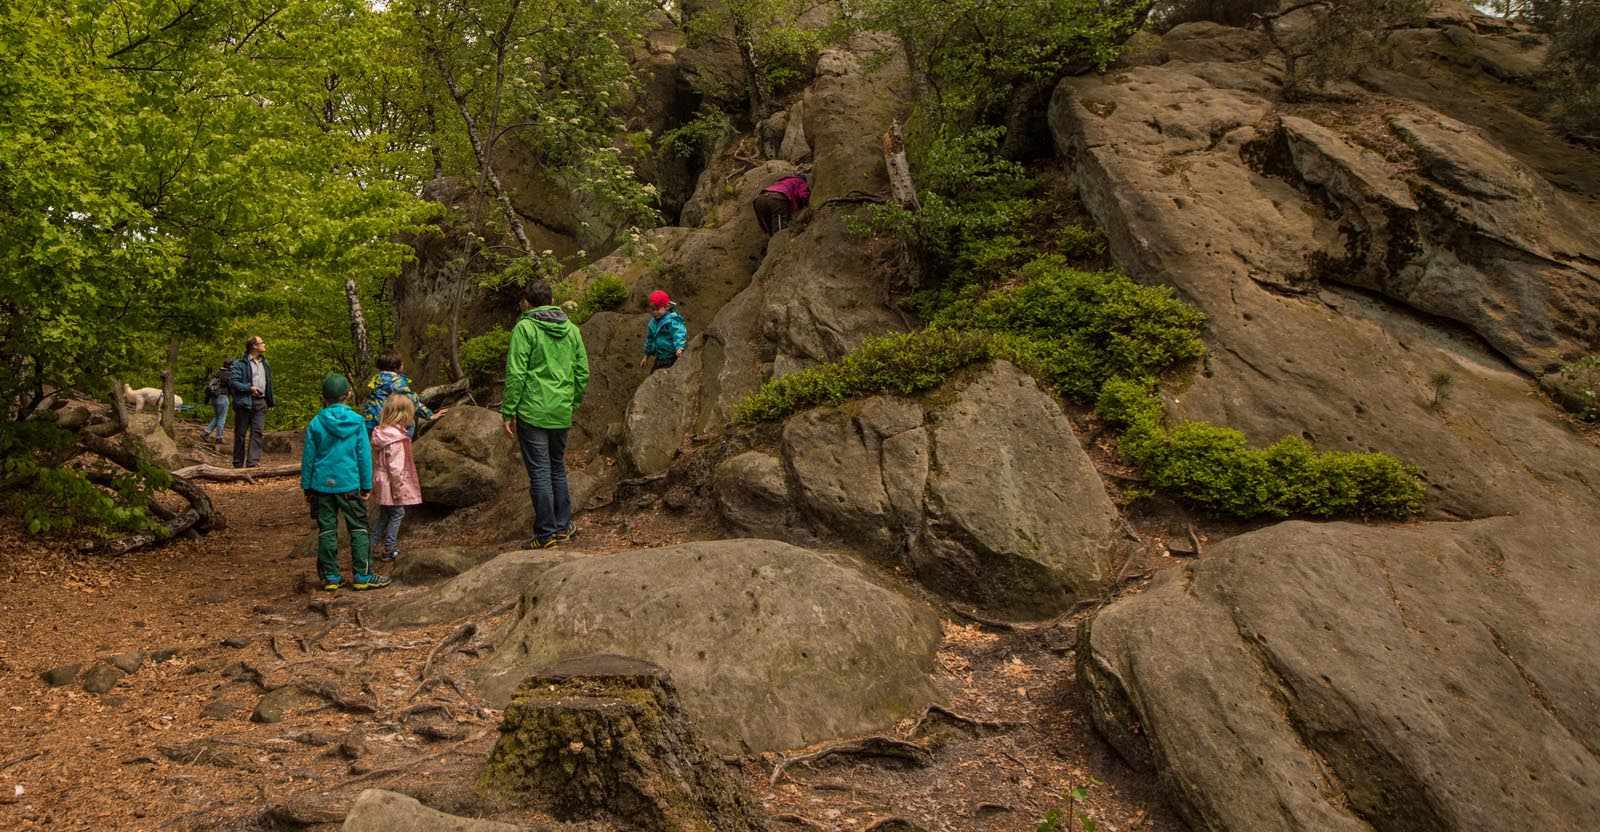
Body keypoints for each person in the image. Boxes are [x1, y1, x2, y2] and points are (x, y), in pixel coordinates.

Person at [501, 280, 589, 548]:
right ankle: (563, 527)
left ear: (527, 301)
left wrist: (508, 410)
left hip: (532, 409)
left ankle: (546, 534)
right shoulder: (571, 329)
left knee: (540, 472)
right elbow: (582, 372)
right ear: (551, 299)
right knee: (557, 467)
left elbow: (517, 372)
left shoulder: (525, 328)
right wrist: (571, 402)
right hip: (560, 409)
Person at [301, 373, 388, 592]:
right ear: (347, 394)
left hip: (321, 485)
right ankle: (362, 576)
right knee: (359, 528)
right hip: (349, 484)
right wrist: (366, 484)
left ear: (324, 397)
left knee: (327, 530)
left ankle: (331, 577)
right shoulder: (357, 421)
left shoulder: (316, 422)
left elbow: (309, 457)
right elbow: (363, 454)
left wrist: (307, 486)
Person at [370, 395, 422, 565]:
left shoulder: (381, 433)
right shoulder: (397, 440)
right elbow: (396, 468)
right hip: (391, 485)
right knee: (398, 513)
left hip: (381, 481)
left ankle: (368, 549)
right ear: (404, 415)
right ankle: (389, 549)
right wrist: (399, 491)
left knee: (384, 516)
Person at [228, 336, 275, 468]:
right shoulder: (239, 364)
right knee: (240, 434)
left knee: (258, 432)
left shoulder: (265, 363)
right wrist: (249, 388)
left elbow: (269, 384)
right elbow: (233, 382)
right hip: (244, 402)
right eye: (262, 342)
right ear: (254, 346)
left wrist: (270, 402)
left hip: (261, 402)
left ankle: (252, 463)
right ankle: (238, 464)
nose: (264, 344)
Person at [361, 352, 433, 436]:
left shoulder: (376, 379)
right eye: (402, 362)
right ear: (396, 367)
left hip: (370, 420)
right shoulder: (396, 381)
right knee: (410, 422)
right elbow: (411, 400)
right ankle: (404, 446)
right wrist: (429, 415)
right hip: (385, 420)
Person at [639, 290, 687, 372]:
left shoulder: (672, 319)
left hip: (672, 356)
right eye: (652, 309)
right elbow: (650, 340)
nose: (654, 312)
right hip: (660, 357)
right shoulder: (652, 323)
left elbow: (678, 332)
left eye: (657, 309)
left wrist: (680, 347)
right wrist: (646, 355)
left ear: (667, 307)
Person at [202, 360, 234, 443]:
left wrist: (206, 399)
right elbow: (231, 387)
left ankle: (206, 433)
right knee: (222, 418)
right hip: (222, 397)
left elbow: (209, 387)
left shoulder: (216, 373)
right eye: (232, 365)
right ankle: (219, 438)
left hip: (213, 398)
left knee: (217, 416)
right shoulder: (228, 374)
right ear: (229, 366)